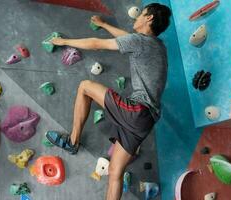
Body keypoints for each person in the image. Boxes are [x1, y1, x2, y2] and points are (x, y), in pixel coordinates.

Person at [45, 3, 171, 200]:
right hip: (146, 121)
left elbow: (97, 43)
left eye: (142, 15)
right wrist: (104, 24)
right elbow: (125, 38)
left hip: (138, 111)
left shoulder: (141, 42)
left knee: (85, 86)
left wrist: (63, 41)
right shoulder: (158, 46)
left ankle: (72, 142)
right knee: (114, 172)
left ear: (149, 19)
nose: (135, 19)